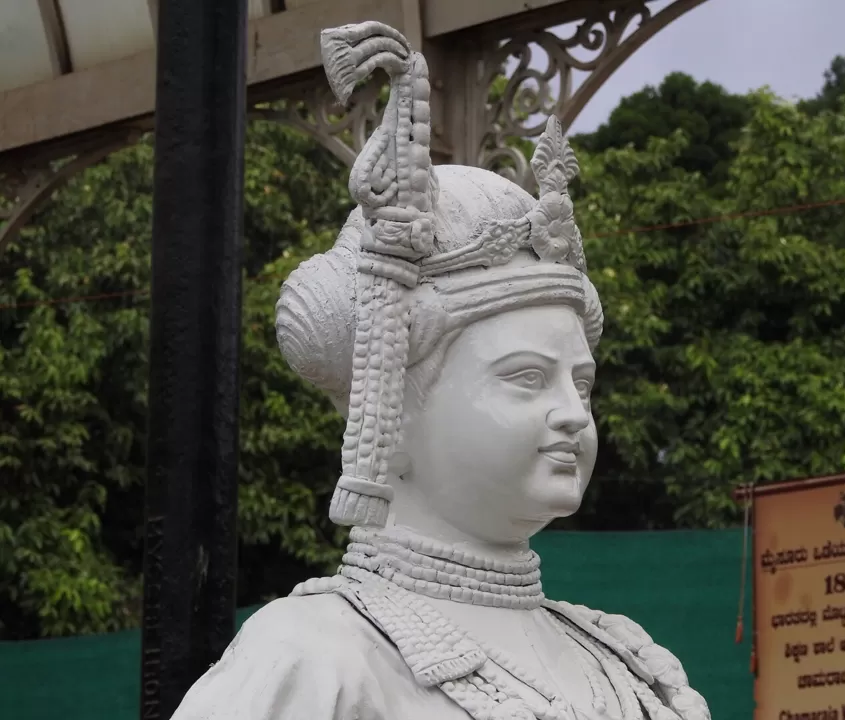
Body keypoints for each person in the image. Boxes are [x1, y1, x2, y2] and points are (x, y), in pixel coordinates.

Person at [171, 21, 710, 720]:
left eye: (581, 383)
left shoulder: (626, 657)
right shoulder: (313, 658)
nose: (573, 412)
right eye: (526, 377)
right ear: (392, 406)